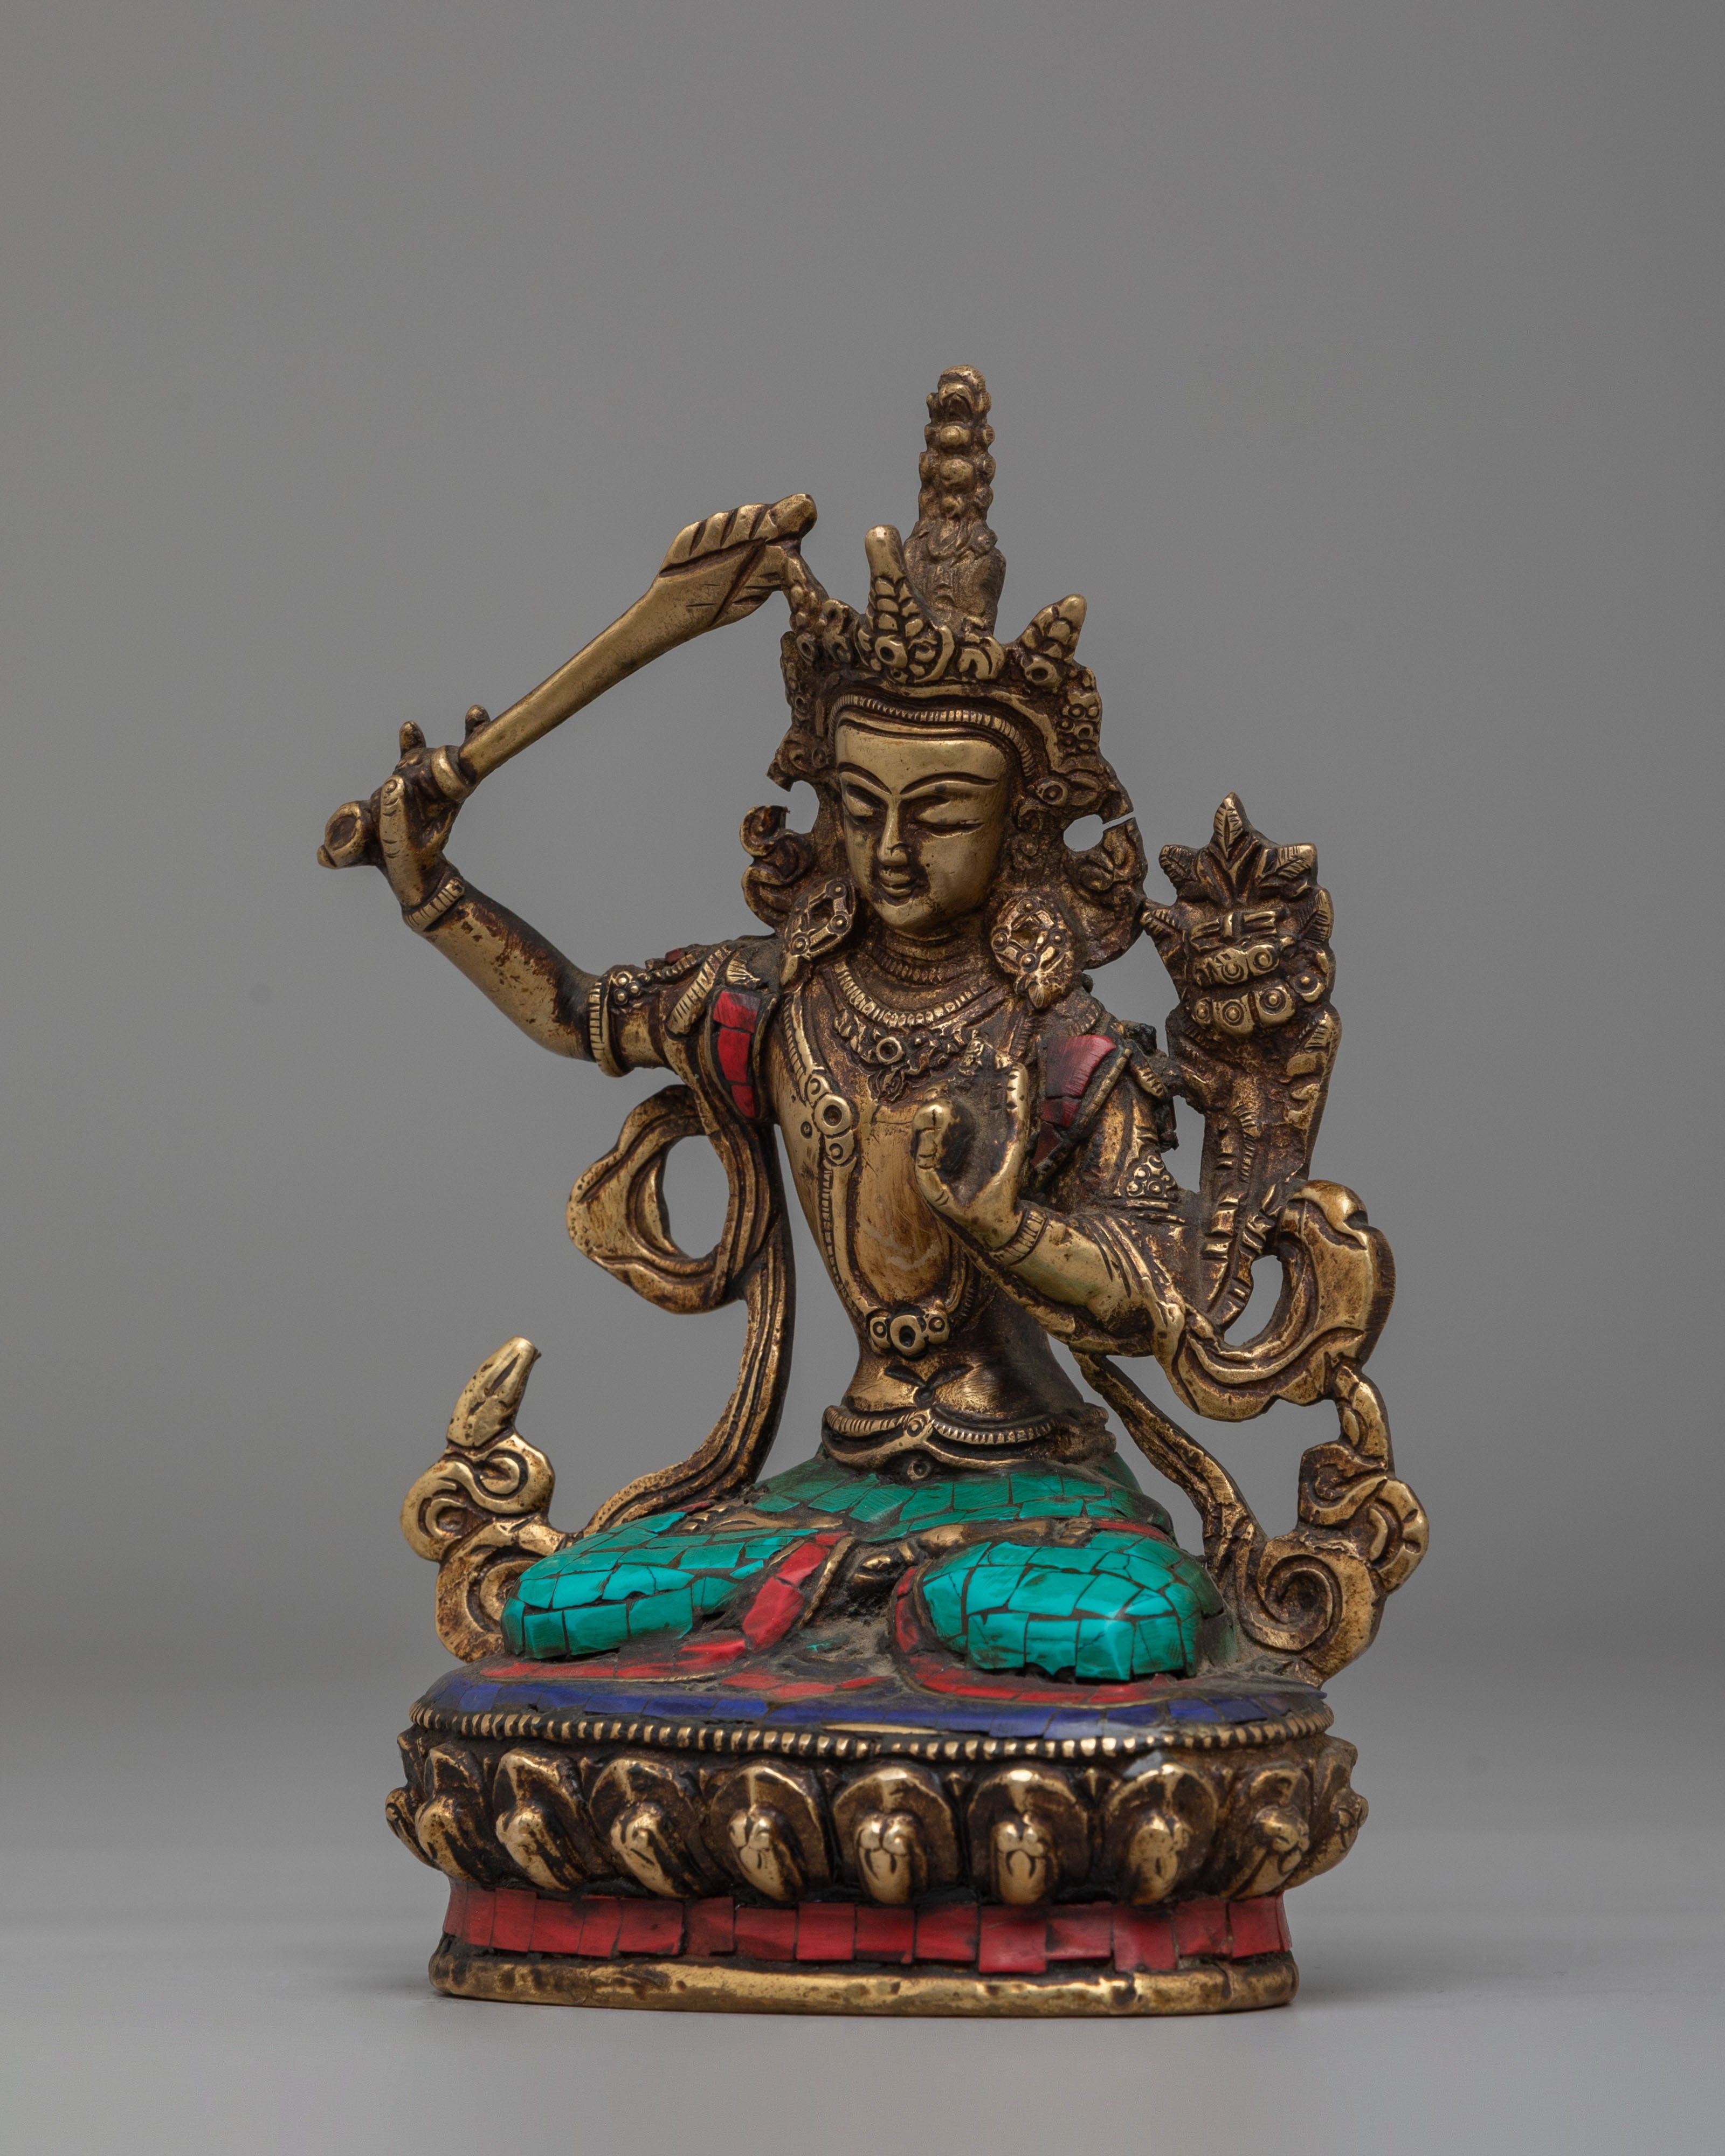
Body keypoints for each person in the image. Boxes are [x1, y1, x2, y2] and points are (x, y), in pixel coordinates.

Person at [354, 370, 1348, 1687]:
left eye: (937, 814)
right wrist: (432, 887)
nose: (889, 847)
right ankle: (871, 1614)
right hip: (832, 1490)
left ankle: (886, 1624)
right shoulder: (780, 998)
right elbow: (578, 1012)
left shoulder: (1064, 1046)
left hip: (1040, 1495)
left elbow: (1151, 1296)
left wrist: (1012, 1230)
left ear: (1019, 827)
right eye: (860, 805)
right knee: (560, 1605)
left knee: (1119, 1627)